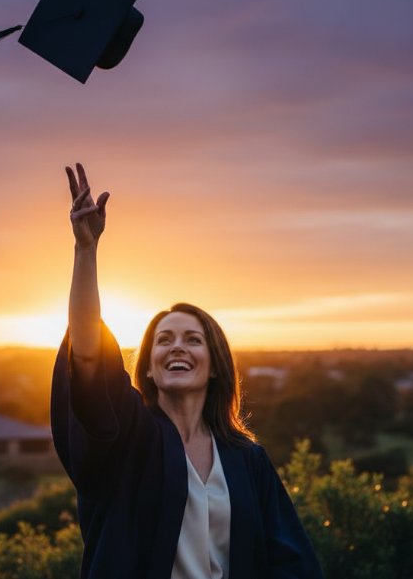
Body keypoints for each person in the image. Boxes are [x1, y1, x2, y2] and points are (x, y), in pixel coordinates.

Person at [52, 163, 324, 579]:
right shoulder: (130, 440)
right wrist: (85, 251)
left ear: (215, 365)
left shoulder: (247, 460)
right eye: (163, 340)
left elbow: (292, 563)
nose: (177, 346)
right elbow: (88, 361)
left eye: (193, 339)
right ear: (148, 367)